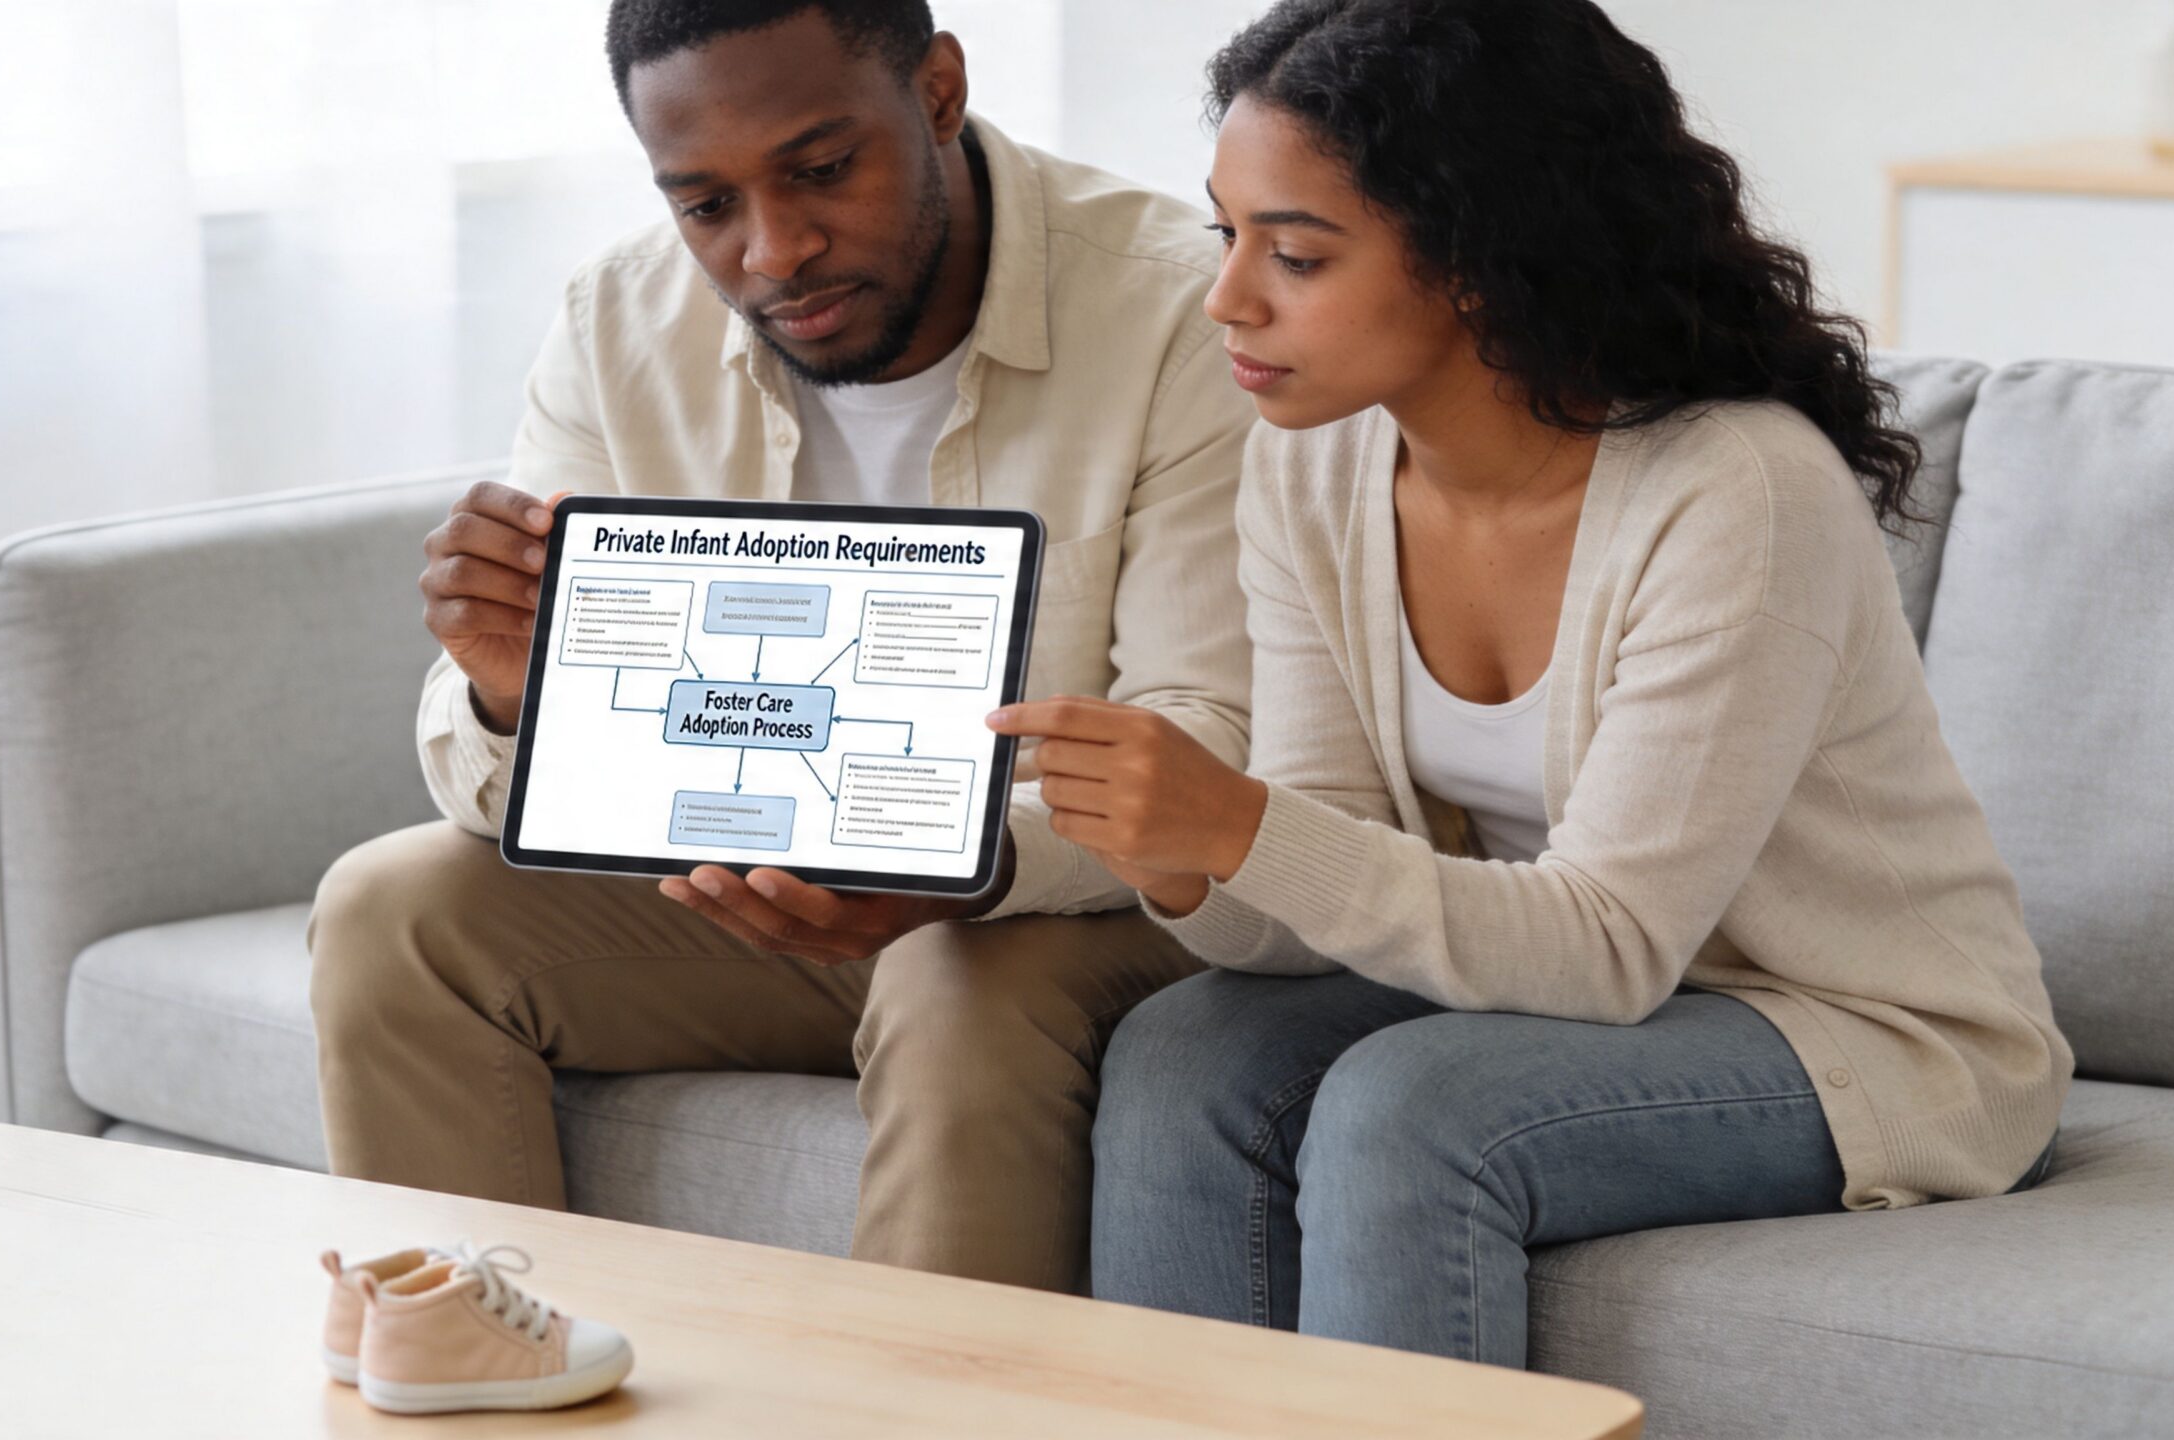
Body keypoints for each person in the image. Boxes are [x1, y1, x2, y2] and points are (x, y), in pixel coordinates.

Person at [986, 0, 2072, 1362]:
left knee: (1413, 1106)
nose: (1229, 298)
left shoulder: (1739, 493)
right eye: (1228, 235)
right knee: (1184, 1052)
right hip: (1572, 996)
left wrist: (1243, 826)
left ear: (1480, 262)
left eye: (1298, 254)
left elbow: (1609, 945)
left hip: (1866, 1033)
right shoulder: (1311, 463)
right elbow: (1328, 879)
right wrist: (1187, 857)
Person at [306, 0, 1256, 1296]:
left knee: (949, 975)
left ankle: (920, 1392)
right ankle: (472, 1353)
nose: (773, 251)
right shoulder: (617, 320)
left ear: (937, 93)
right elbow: (488, 784)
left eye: (822, 170)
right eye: (706, 205)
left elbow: (1212, 742)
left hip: (1074, 902)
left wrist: (957, 868)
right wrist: (519, 700)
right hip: (767, 896)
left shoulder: (1178, 309)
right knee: (391, 911)